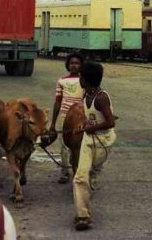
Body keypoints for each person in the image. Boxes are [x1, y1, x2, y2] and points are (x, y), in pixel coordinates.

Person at [73, 61, 116, 231]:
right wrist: (83, 124)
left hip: (104, 141)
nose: (79, 79)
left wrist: (92, 127)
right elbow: (87, 116)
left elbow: (110, 122)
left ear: (86, 79)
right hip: (88, 139)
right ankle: (82, 216)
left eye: (81, 76)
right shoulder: (86, 94)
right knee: (80, 176)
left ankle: (93, 177)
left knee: (91, 173)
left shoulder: (101, 97)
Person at [49, 53, 85, 184]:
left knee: (79, 146)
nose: (74, 65)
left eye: (77, 63)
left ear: (81, 65)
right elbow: (58, 101)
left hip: (80, 117)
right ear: (67, 65)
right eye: (71, 63)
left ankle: (80, 171)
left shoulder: (85, 81)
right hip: (65, 117)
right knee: (64, 146)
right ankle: (65, 172)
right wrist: (53, 123)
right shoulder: (62, 81)